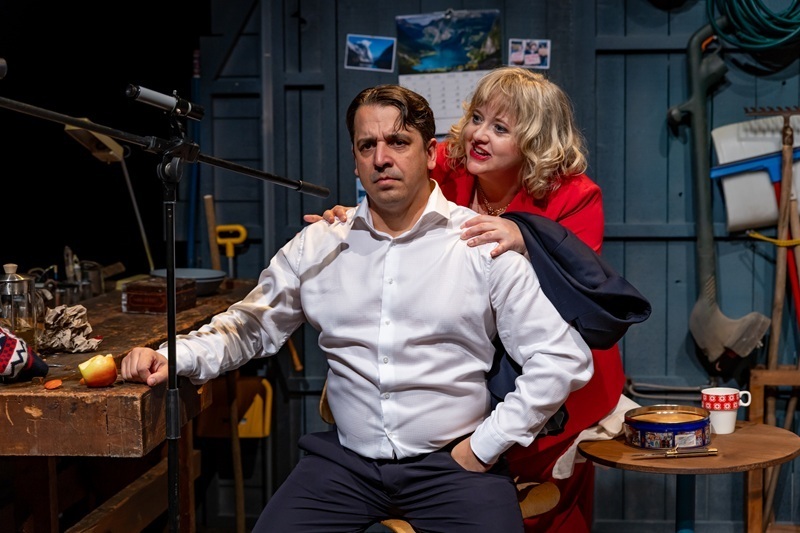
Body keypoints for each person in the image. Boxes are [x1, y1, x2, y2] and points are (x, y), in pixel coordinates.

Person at [121, 84, 593, 532]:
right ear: (355, 159)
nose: (381, 158)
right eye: (367, 145)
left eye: (398, 142)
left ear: (431, 154)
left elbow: (561, 358)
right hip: (346, 465)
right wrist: (175, 355)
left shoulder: (479, 244)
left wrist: (486, 445)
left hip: (454, 465)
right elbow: (251, 326)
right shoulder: (320, 243)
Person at [306, 66, 627, 533]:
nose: (479, 135)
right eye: (477, 118)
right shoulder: (447, 163)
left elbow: (574, 291)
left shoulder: (576, 195)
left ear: (535, 141)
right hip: (464, 369)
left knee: (551, 507)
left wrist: (528, 238)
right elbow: (390, 187)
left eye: (501, 128)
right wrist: (353, 218)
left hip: (547, 375)